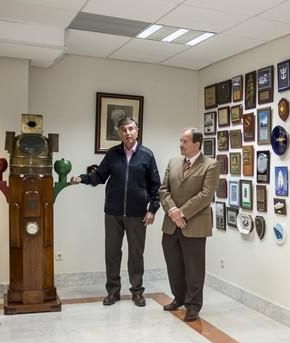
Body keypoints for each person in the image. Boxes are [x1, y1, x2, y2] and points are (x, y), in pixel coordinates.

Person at [71, 117, 160, 307]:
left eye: (130, 129)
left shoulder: (147, 155)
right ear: (119, 133)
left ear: (137, 130)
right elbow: (100, 176)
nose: (127, 133)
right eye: (123, 130)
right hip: (113, 213)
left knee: (136, 254)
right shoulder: (112, 154)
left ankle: (137, 292)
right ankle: (113, 292)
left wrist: (152, 209)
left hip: (137, 214)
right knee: (112, 253)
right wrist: (83, 178)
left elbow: (155, 186)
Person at [159, 128, 219, 322]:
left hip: (194, 224)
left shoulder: (210, 165)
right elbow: (163, 190)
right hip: (171, 224)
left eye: (184, 141)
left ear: (197, 144)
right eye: (180, 140)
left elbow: (205, 195)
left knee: (194, 268)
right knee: (173, 264)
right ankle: (179, 298)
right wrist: (172, 211)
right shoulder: (173, 162)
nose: (181, 144)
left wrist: (181, 212)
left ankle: (193, 306)